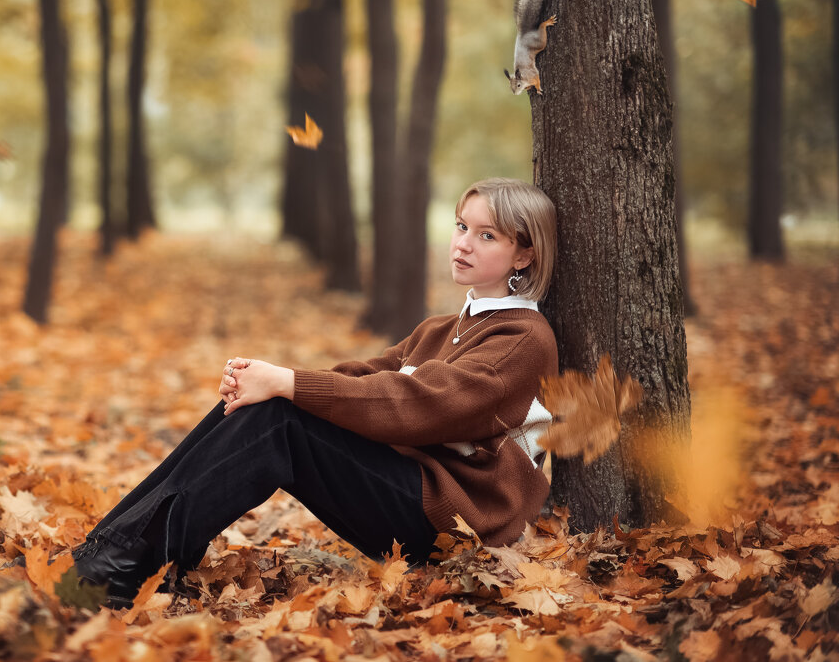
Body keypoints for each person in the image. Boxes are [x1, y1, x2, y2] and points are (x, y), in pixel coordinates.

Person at [72, 177, 559, 608]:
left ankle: (117, 568)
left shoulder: (522, 339)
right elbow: (365, 375)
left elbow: (418, 405)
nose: (463, 244)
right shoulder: (441, 328)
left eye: (486, 235)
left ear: (524, 253)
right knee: (263, 404)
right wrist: (266, 379)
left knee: (279, 418)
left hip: (455, 523)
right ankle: (103, 554)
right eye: (460, 226)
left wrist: (287, 384)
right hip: (410, 493)